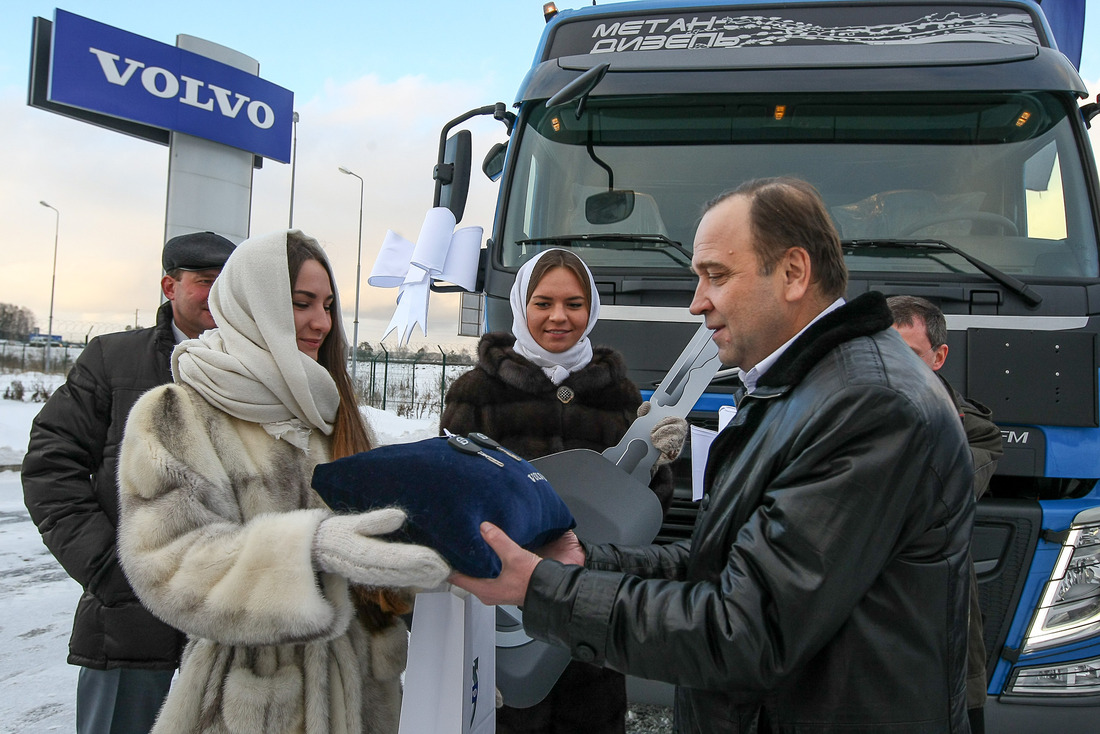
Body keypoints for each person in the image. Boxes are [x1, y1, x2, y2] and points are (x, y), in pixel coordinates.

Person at [452, 178, 976, 733]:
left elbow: (743, 627)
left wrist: (541, 588)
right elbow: (724, 562)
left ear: (794, 273)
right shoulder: (808, 388)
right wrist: (587, 560)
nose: (697, 302)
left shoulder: (867, 408)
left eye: (716, 275)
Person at [115, 230, 450, 734]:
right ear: (254, 304)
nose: (322, 322)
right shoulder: (178, 414)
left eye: (328, 304)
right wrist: (305, 547)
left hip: (362, 695)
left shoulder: (335, 414)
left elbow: (384, 553)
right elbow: (167, 562)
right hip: (251, 704)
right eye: (302, 303)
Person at [440, 247, 685, 733]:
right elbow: (450, 500)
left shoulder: (618, 394)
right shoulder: (476, 393)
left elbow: (640, 511)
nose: (559, 317)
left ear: (591, 308)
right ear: (520, 306)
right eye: (544, 302)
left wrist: (656, 461)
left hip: (591, 621)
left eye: (574, 304)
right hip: (505, 620)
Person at [22, 230, 235, 734]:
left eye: (229, 284)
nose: (218, 295)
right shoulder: (113, 361)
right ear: (170, 286)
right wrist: (109, 569)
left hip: (228, 624)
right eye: (205, 281)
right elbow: (52, 464)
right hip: (130, 625)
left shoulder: (254, 370)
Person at [889, 294, 1004, 734]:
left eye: (911, 355)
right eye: (880, 350)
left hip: (935, 634)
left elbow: (937, 494)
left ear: (939, 357)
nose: (893, 367)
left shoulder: (975, 432)